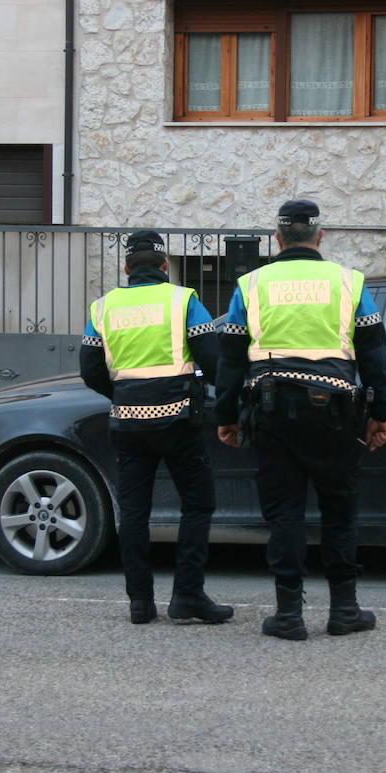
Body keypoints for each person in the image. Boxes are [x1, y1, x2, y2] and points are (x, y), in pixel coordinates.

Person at [215, 200, 386, 640]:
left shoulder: (251, 284)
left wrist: (226, 416)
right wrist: (381, 414)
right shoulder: (350, 283)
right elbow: (374, 355)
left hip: (273, 413)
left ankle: (289, 615)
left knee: (286, 514)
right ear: (320, 237)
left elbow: (231, 361)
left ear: (277, 239)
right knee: (339, 511)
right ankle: (344, 610)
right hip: (336, 414)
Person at [80, 229, 234, 626]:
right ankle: (187, 596)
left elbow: (90, 369)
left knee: (133, 513)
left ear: (127, 267)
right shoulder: (184, 300)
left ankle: (140, 604)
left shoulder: (103, 308)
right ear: (165, 265)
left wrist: (121, 394)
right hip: (179, 418)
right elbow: (212, 359)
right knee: (197, 505)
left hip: (129, 422)